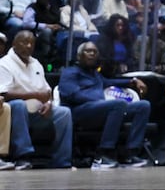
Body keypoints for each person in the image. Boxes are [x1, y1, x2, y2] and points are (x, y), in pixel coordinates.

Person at [58, 41, 151, 168]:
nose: (92, 54)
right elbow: (70, 95)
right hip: (79, 111)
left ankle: (131, 153)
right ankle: (104, 154)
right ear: (79, 56)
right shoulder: (70, 72)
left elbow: (108, 82)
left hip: (100, 110)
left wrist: (132, 81)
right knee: (117, 105)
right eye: (88, 51)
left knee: (143, 106)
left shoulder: (95, 75)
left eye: (95, 52)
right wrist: (98, 101)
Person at [0, 30, 72, 169]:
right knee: (18, 105)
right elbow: (4, 93)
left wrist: (48, 103)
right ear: (14, 44)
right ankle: (23, 157)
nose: (28, 46)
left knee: (64, 112)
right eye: (24, 42)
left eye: (32, 43)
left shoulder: (36, 63)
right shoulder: (4, 63)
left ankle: (62, 161)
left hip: (39, 110)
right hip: (16, 109)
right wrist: (35, 95)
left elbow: (47, 91)